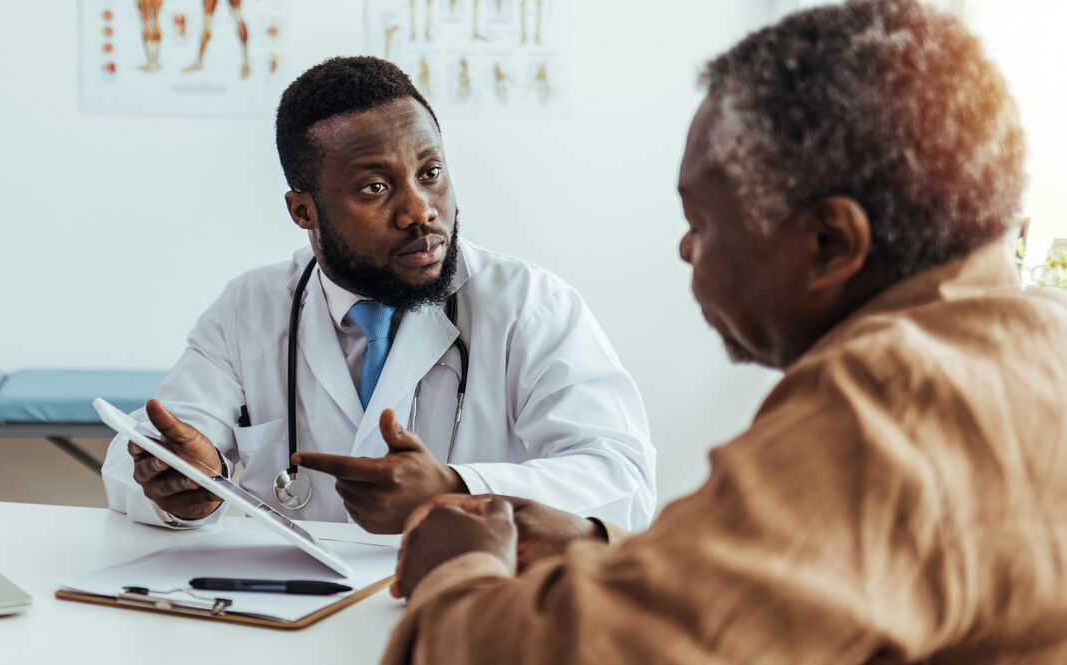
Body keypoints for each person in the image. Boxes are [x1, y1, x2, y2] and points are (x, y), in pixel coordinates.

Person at [385, 1, 1067, 662]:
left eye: (703, 223)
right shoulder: (1037, 336)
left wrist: (458, 568)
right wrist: (600, 545)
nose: (686, 249)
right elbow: (816, 586)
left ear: (828, 243)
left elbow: (577, 653)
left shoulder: (888, 399)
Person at [101, 56, 656, 534]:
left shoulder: (531, 306)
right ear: (303, 211)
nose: (420, 211)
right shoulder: (251, 307)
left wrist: (457, 488)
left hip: (465, 613)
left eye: (430, 172)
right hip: (297, 621)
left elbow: (622, 479)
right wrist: (184, 487)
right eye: (376, 187)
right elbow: (143, 459)